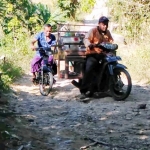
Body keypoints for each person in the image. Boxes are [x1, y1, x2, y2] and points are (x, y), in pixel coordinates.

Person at [79, 16, 114, 99]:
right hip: (92, 53)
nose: (105, 26)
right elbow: (86, 39)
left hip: (103, 54)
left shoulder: (107, 33)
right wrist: (89, 44)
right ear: (99, 24)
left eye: (106, 24)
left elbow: (111, 41)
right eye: (103, 24)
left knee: (109, 66)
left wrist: (111, 46)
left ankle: (108, 87)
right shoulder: (93, 31)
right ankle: (83, 91)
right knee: (89, 68)